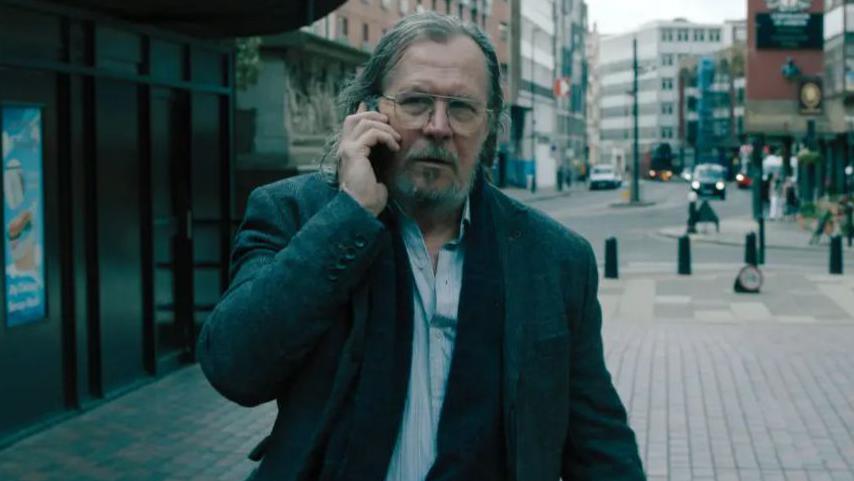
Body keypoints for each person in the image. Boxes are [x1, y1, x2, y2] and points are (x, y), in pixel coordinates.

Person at [198, 12, 644, 481]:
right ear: (369, 111)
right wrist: (349, 217)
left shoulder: (555, 259)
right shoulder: (294, 215)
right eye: (414, 102)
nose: (437, 126)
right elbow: (235, 368)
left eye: (462, 109)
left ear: (490, 126)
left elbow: (598, 442)